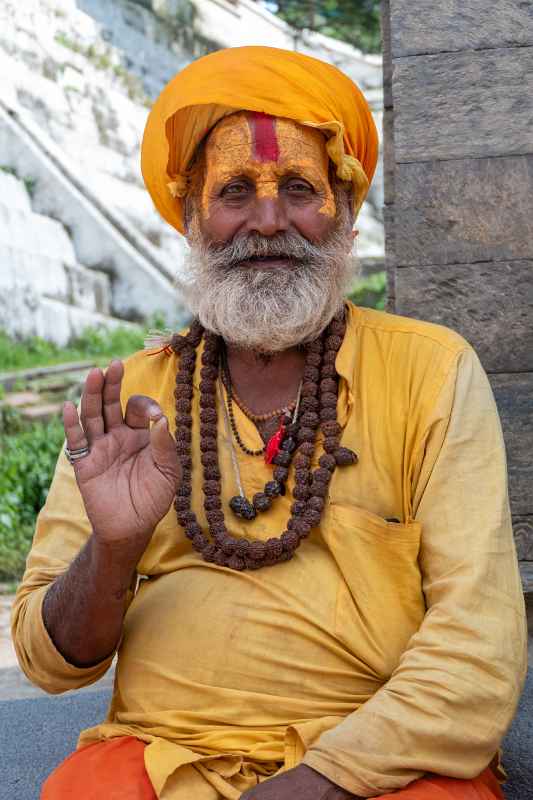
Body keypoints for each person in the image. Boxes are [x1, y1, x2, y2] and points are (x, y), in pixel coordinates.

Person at [12, 46, 527, 800]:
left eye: (297, 188)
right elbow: (48, 661)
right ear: (192, 219)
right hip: (163, 755)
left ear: (344, 216)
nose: (266, 220)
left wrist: (320, 779)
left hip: (380, 764)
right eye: (233, 192)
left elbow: (478, 645)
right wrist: (114, 548)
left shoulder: (431, 372)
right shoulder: (132, 399)